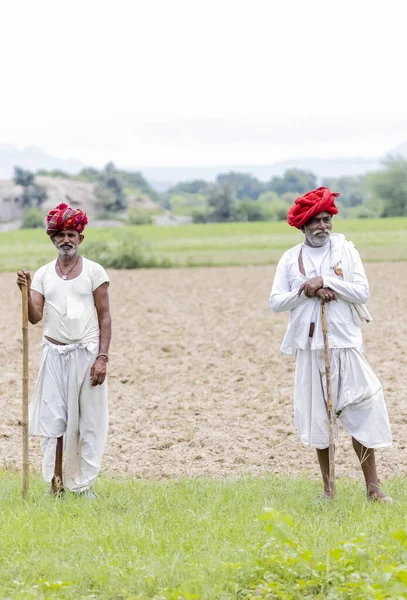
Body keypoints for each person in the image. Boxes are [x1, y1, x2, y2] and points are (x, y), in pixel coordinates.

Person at [269, 187, 392, 501]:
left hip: (346, 343)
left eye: (327, 219)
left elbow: (361, 292)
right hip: (310, 349)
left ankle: (374, 489)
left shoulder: (345, 251)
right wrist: (305, 291)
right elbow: (276, 302)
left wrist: (326, 281)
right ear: (303, 226)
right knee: (319, 419)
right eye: (316, 221)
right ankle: (328, 490)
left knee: (363, 409)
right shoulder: (290, 259)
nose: (323, 226)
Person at [16, 203, 111, 498]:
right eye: (60, 235)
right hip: (54, 355)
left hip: (87, 355)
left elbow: (105, 316)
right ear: (52, 240)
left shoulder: (95, 272)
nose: (66, 239)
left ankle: (83, 486)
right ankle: (56, 486)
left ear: (80, 238)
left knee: (87, 422)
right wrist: (25, 290)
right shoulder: (44, 274)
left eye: (71, 234)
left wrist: (102, 358)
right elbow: (34, 317)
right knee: (54, 421)